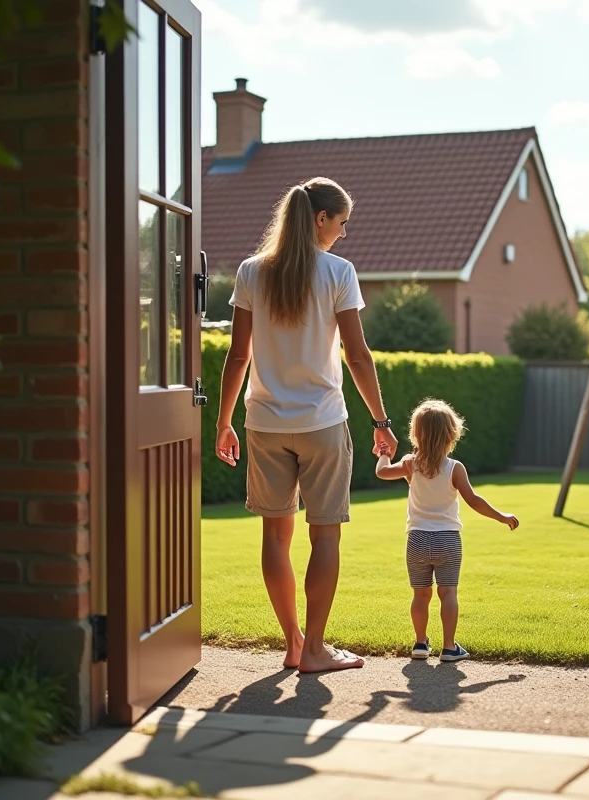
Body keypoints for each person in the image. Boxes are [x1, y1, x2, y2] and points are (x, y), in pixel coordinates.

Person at [214, 177, 397, 674]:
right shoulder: (338, 272)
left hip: (265, 423)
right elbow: (358, 357)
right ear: (321, 219)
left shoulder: (252, 272)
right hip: (322, 424)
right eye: (341, 222)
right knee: (326, 537)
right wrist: (380, 420)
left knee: (275, 538)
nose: (343, 233)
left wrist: (224, 421)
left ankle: (294, 643)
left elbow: (237, 356)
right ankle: (315, 648)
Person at [374, 399, 519, 663]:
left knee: (421, 595)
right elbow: (473, 500)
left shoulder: (410, 464)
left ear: (416, 434)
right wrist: (501, 516)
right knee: (447, 593)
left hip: (417, 539)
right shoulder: (454, 468)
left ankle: (420, 644)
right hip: (448, 540)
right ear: (452, 435)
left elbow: (382, 472)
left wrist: (383, 452)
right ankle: (449, 648)